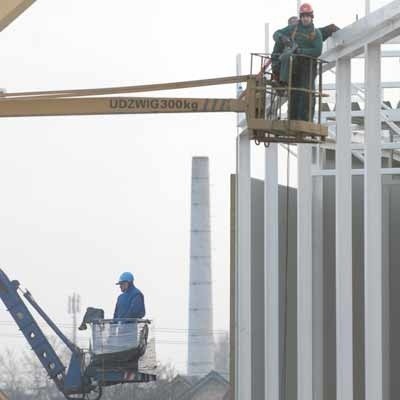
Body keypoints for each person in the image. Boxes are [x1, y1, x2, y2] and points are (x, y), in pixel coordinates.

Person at [273, 3, 322, 121]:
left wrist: (301, 51)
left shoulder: (316, 33)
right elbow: (276, 33)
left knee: (305, 94)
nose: (305, 18)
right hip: (294, 66)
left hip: (307, 67)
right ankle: (283, 83)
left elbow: (317, 51)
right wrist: (282, 38)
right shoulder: (293, 28)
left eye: (307, 16)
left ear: (311, 17)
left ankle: (305, 120)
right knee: (294, 93)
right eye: (303, 16)